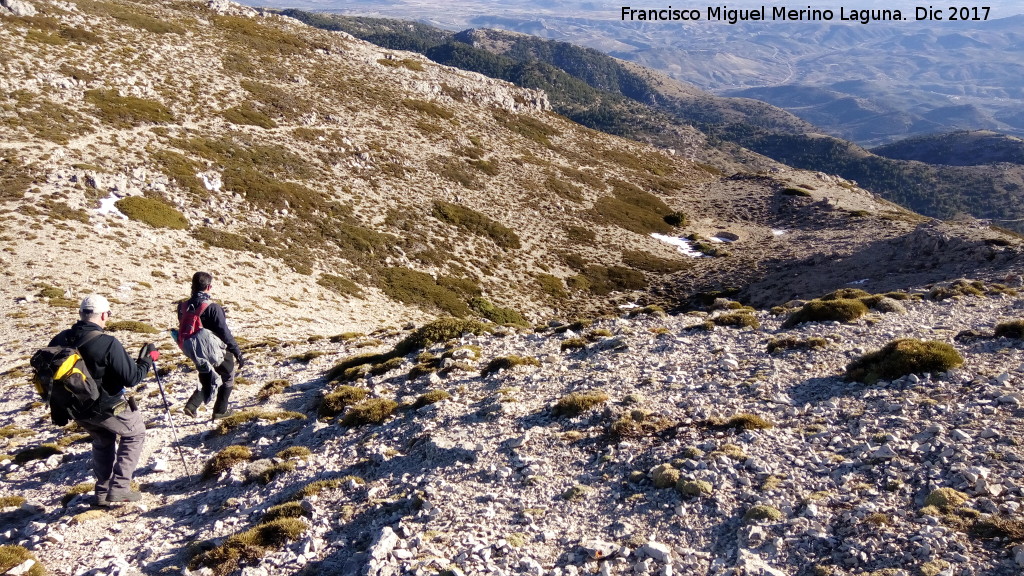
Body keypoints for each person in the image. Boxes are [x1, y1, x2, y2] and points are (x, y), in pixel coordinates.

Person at [48, 294, 158, 506]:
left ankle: (101, 493)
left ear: (81, 314)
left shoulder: (60, 339)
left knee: (103, 439)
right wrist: (146, 361)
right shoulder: (107, 343)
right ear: (104, 315)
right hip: (105, 407)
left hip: (76, 409)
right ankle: (120, 487)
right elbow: (132, 378)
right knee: (135, 432)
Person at [178, 271, 244, 420]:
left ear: (193, 286)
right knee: (227, 375)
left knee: (208, 375)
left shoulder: (183, 306)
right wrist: (237, 352)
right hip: (215, 349)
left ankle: (192, 406)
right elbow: (224, 333)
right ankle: (220, 411)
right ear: (209, 287)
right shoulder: (212, 307)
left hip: (193, 349)